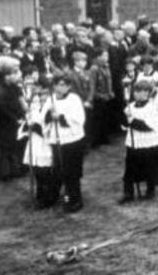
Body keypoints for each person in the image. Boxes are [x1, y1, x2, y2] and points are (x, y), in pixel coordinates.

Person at [44, 73, 86, 213]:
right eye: (57, 84)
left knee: (72, 171)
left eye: (63, 85)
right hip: (57, 140)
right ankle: (53, 196)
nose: (59, 88)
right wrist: (49, 116)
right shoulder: (50, 99)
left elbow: (79, 118)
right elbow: (44, 116)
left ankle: (75, 199)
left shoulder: (74, 99)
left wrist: (61, 117)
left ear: (69, 86)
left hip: (72, 140)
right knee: (58, 169)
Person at [119, 80, 158, 203]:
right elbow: (124, 127)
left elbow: (147, 126)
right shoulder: (130, 107)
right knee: (130, 169)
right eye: (138, 91)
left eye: (145, 92)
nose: (141, 94)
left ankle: (150, 190)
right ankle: (128, 193)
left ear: (149, 93)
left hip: (149, 143)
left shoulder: (152, 107)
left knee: (150, 168)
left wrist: (132, 120)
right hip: (134, 143)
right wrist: (125, 118)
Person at [18, 79, 56, 208]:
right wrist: (28, 125)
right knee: (36, 171)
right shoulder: (34, 110)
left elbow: (49, 129)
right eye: (40, 97)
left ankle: (48, 196)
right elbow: (25, 127)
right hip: (35, 144)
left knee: (45, 171)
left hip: (46, 144)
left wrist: (37, 128)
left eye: (45, 98)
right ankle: (40, 194)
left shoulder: (51, 112)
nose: (42, 100)